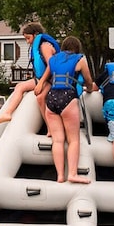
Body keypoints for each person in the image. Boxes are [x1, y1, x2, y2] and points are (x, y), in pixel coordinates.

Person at [34, 35, 96, 183]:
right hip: (68, 97)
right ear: (77, 48)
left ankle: (60, 175)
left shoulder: (53, 59)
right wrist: (89, 89)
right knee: (73, 140)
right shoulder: (79, 59)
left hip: (52, 98)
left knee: (58, 140)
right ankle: (72, 174)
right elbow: (88, 81)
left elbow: (47, 75)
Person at [0, 22, 60, 123]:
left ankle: (49, 127)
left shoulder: (45, 46)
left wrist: (41, 83)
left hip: (52, 80)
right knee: (19, 87)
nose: (27, 42)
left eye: (28, 38)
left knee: (40, 98)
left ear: (35, 35)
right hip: (43, 79)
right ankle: (7, 113)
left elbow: (51, 65)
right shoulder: (38, 47)